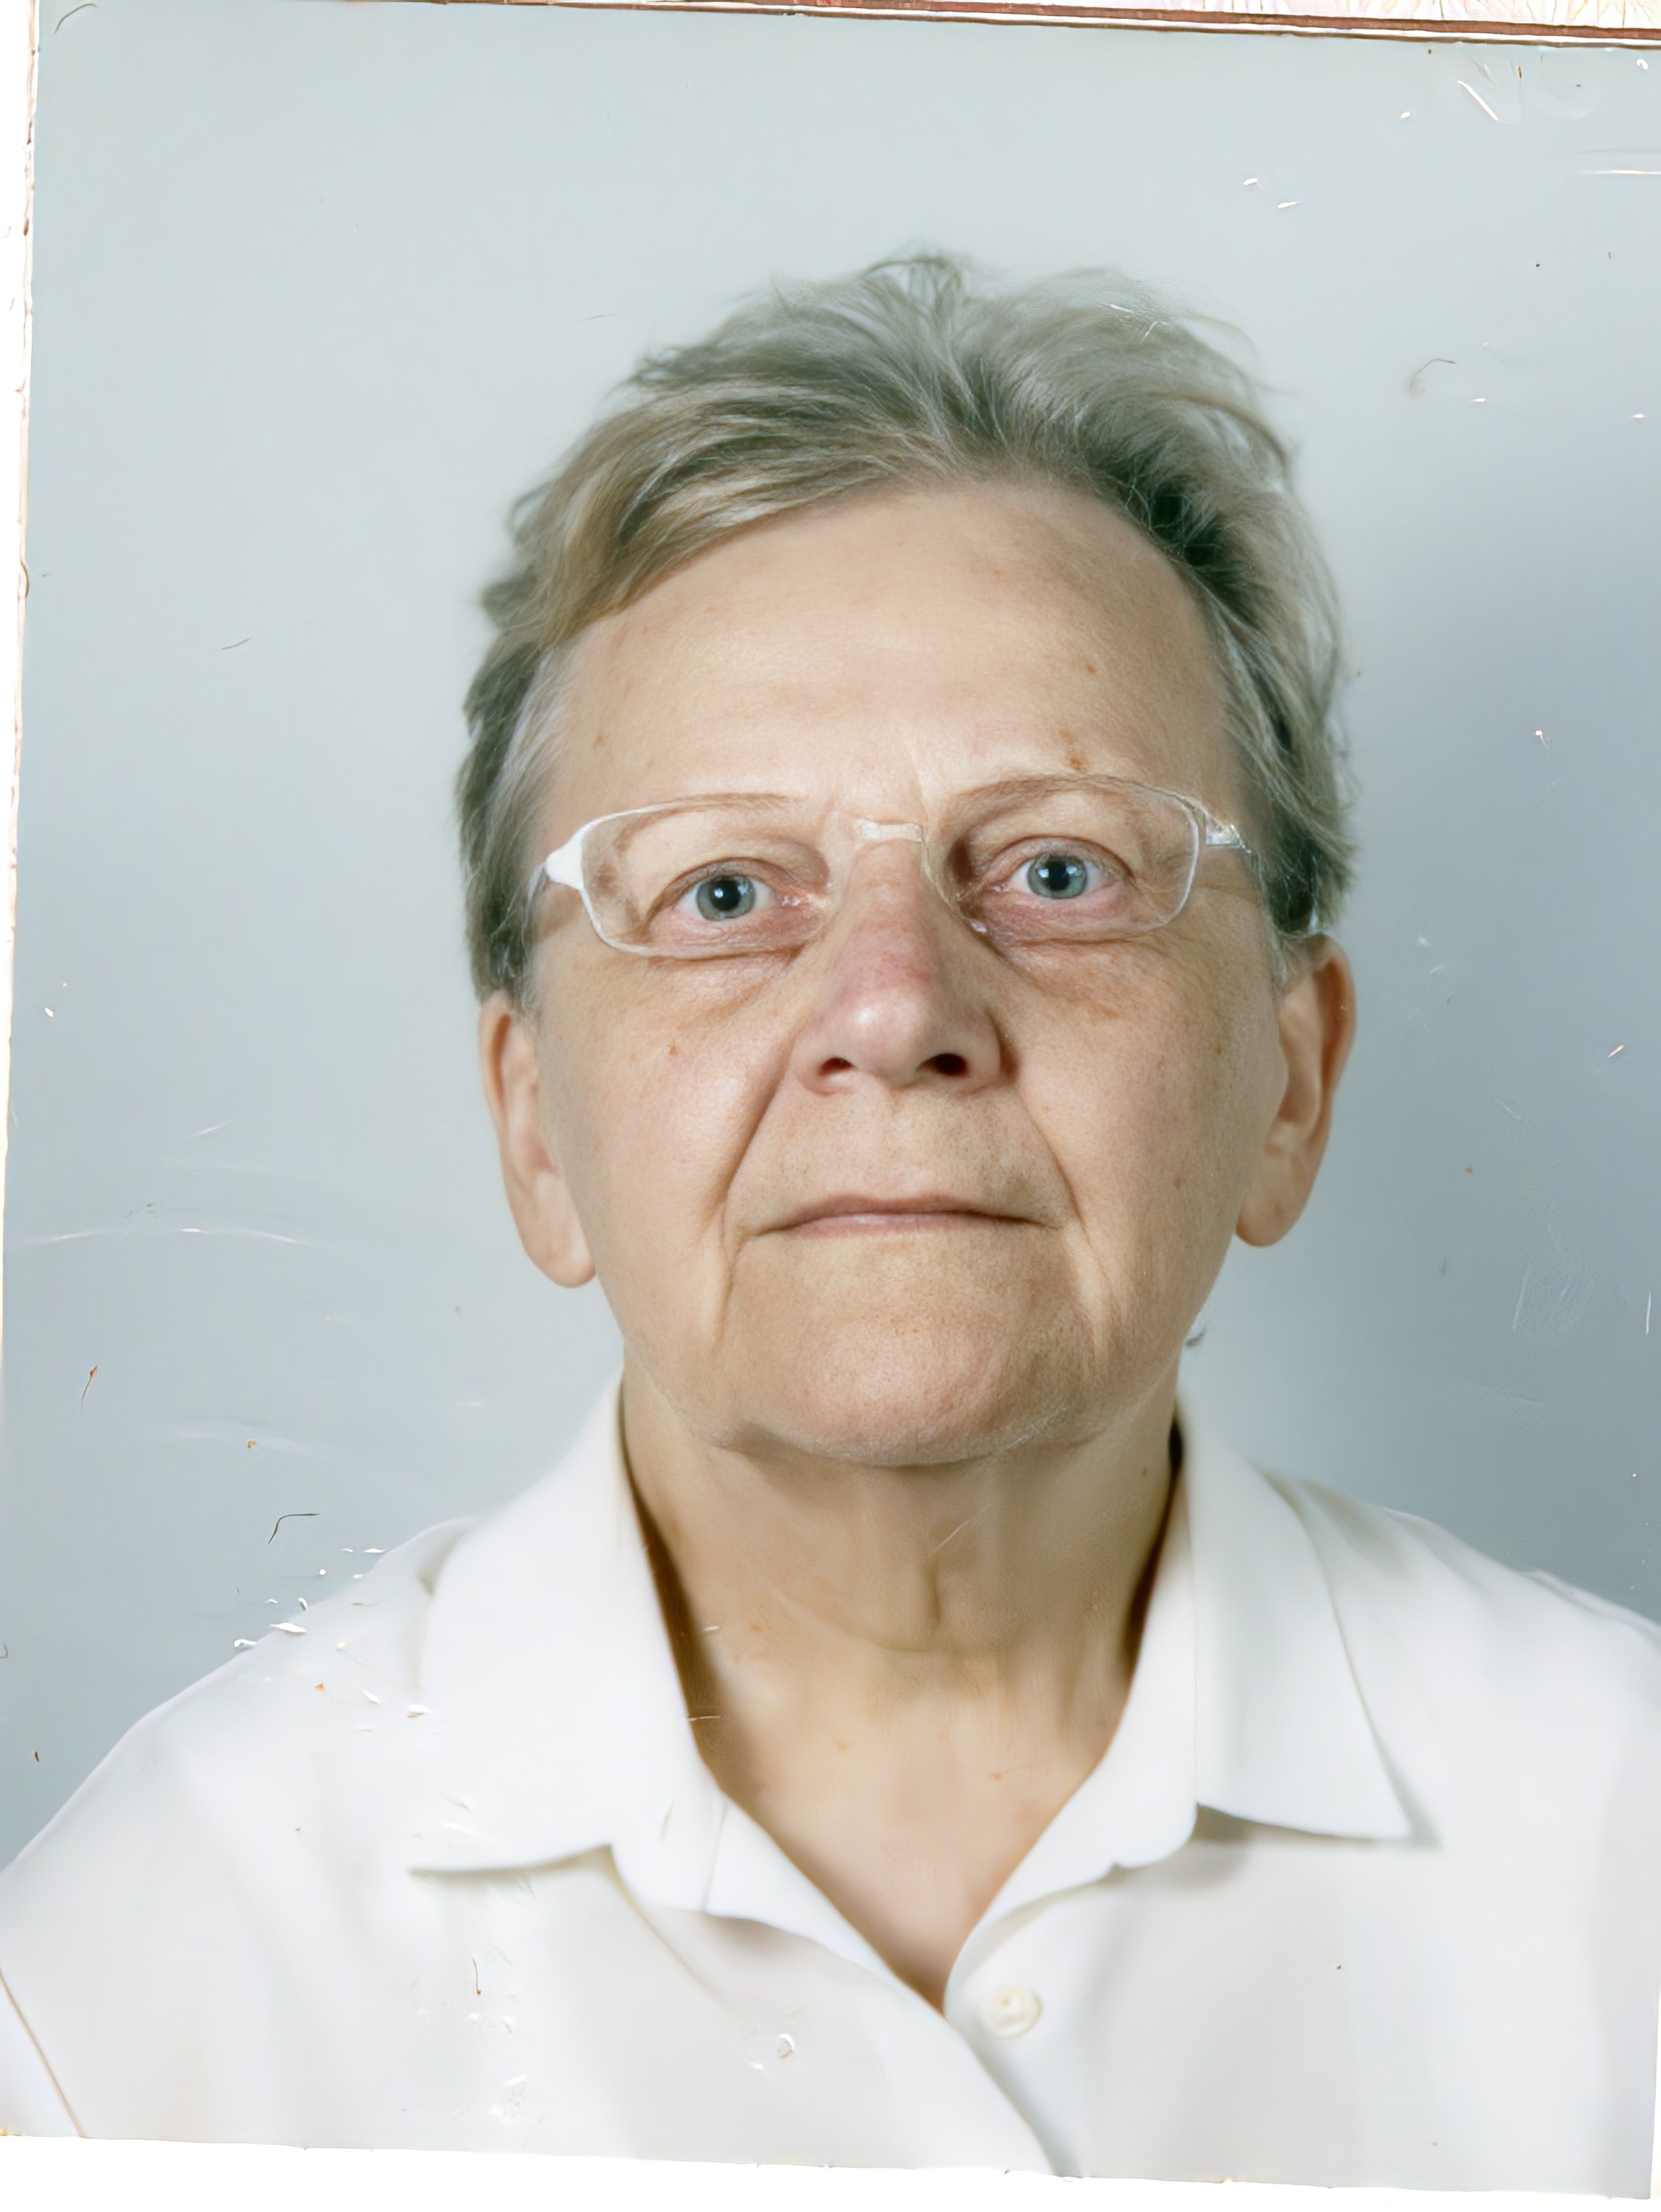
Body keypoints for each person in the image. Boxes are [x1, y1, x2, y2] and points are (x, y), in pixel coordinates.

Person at [1, 254, 1657, 2187]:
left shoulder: (1623, 1845)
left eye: (1059, 869)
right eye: (722, 893)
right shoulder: (134, 1990)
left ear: (1289, 1079)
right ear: (534, 1125)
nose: (893, 1005)